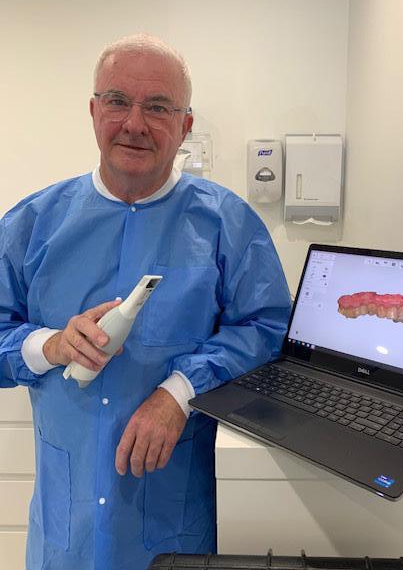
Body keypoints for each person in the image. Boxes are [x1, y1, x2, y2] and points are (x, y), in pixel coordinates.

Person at [0, 34, 291, 570]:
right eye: (117, 101)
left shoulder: (226, 225)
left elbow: (267, 329)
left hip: (173, 514)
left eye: (157, 107)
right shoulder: (33, 224)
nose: (134, 123)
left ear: (185, 125)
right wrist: (51, 345)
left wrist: (179, 392)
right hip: (67, 525)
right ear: (94, 112)